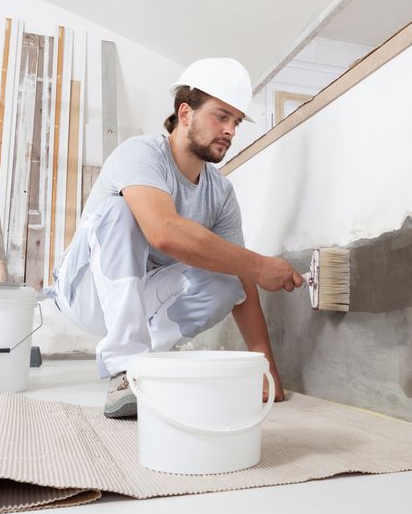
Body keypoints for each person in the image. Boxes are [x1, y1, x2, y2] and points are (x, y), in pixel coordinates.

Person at [51, 57, 303, 418]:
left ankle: (149, 361)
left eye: (235, 122)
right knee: (121, 211)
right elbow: (164, 233)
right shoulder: (141, 154)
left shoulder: (221, 193)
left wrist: (266, 370)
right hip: (85, 290)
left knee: (231, 280)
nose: (230, 130)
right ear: (185, 113)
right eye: (221, 116)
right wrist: (261, 264)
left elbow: (244, 279)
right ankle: (126, 370)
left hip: (143, 299)